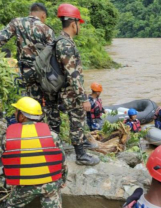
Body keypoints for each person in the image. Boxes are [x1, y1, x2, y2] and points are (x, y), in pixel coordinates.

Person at [0, 97, 67, 208]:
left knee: (13, 204)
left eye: (17, 111)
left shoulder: (8, 137)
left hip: (24, 185)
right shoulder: (52, 135)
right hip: (49, 184)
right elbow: (61, 161)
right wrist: (62, 180)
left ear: (22, 116)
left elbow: (8, 161)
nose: (15, 113)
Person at [53, 3, 99, 166]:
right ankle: (81, 155)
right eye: (79, 23)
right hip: (70, 91)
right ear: (73, 23)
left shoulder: (62, 41)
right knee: (77, 120)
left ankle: (79, 146)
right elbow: (72, 74)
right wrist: (83, 98)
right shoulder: (65, 44)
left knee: (76, 121)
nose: (79, 26)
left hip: (66, 90)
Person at [0, 3, 55, 103]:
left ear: (30, 13)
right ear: (43, 15)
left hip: (23, 72)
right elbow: (53, 56)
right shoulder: (47, 29)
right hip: (41, 73)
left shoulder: (17, 22)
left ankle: (21, 116)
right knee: (37, 104)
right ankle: (37, 117)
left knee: (21, 101)